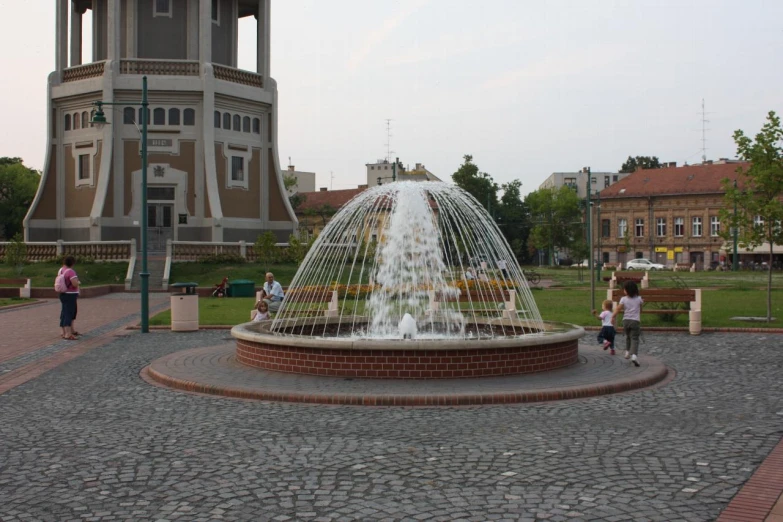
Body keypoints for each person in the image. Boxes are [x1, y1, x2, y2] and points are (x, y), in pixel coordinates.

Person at [612, 281, 644, 367]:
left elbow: (618, 309)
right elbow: (641, 310)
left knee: (628, 337)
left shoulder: (623, 299)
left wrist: (613, 317)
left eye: (624, 289)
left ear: (627, 291)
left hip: (625, 321)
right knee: (634, 338)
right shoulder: (639, 299)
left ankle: (627, 352)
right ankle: (634, 355)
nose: (623, 291)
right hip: (635, 321)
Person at [58, 256, 80, 340]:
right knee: (69, 313)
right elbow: (74, 284)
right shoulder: (71, 272)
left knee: (64, 311)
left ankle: (63, 331)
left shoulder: (61, 270)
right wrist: (78, 282)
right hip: (70, 294)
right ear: (72, 263)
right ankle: (68, 333)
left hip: (62, 293)